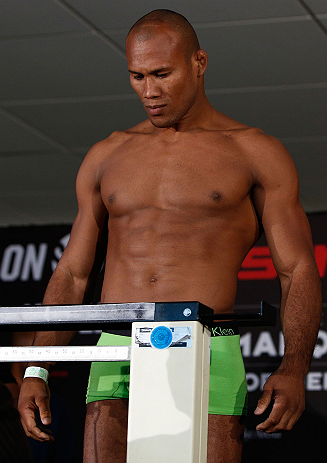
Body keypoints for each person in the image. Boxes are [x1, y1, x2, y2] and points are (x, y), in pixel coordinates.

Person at [18, 9, 322, 463]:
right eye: (137, 76)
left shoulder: (254, 151)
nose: (149, 91)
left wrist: (295, 366)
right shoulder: (107, 154)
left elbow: (296, 269)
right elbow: (73, 273)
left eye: (162, 73)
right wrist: (36, 368)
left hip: (208, 342)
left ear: (199, 62)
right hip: (116, 345)